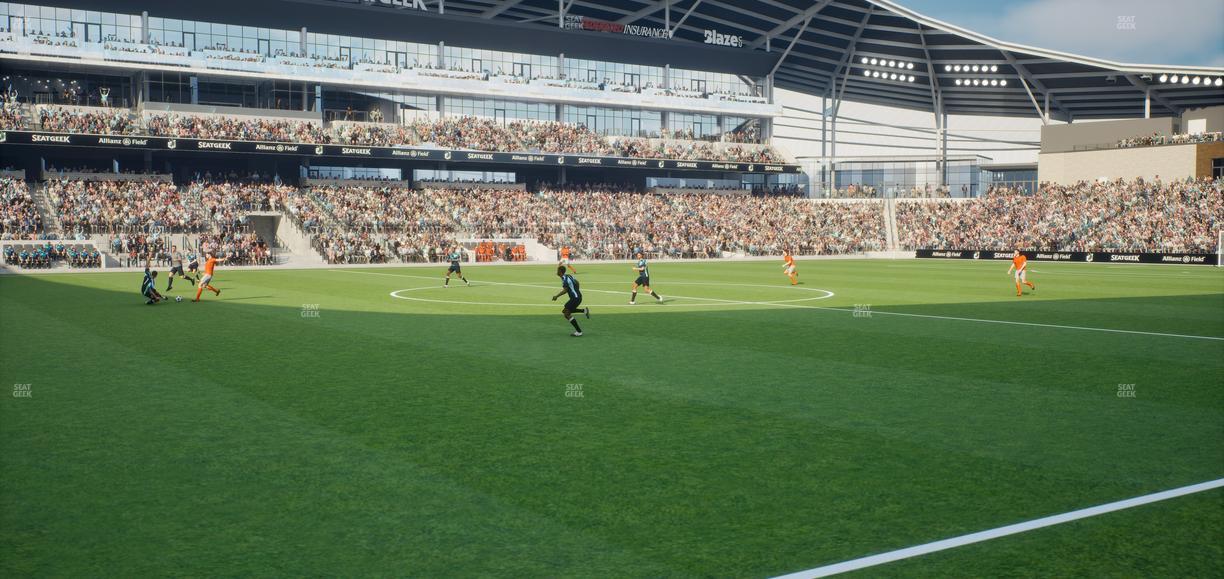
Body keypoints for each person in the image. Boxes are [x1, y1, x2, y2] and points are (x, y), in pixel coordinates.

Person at [551, 265, 590, 337]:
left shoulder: (565, 280)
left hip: (575, 298)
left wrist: (556, 296)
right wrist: (576, 290)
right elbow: (577, 282)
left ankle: (579, 331)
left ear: (560, 272)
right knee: (565, 311)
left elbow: (565, 291)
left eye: (557, 270)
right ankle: (584, 311)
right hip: (577, 297)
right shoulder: (568, 276)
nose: (556, 272)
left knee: (566, 313)